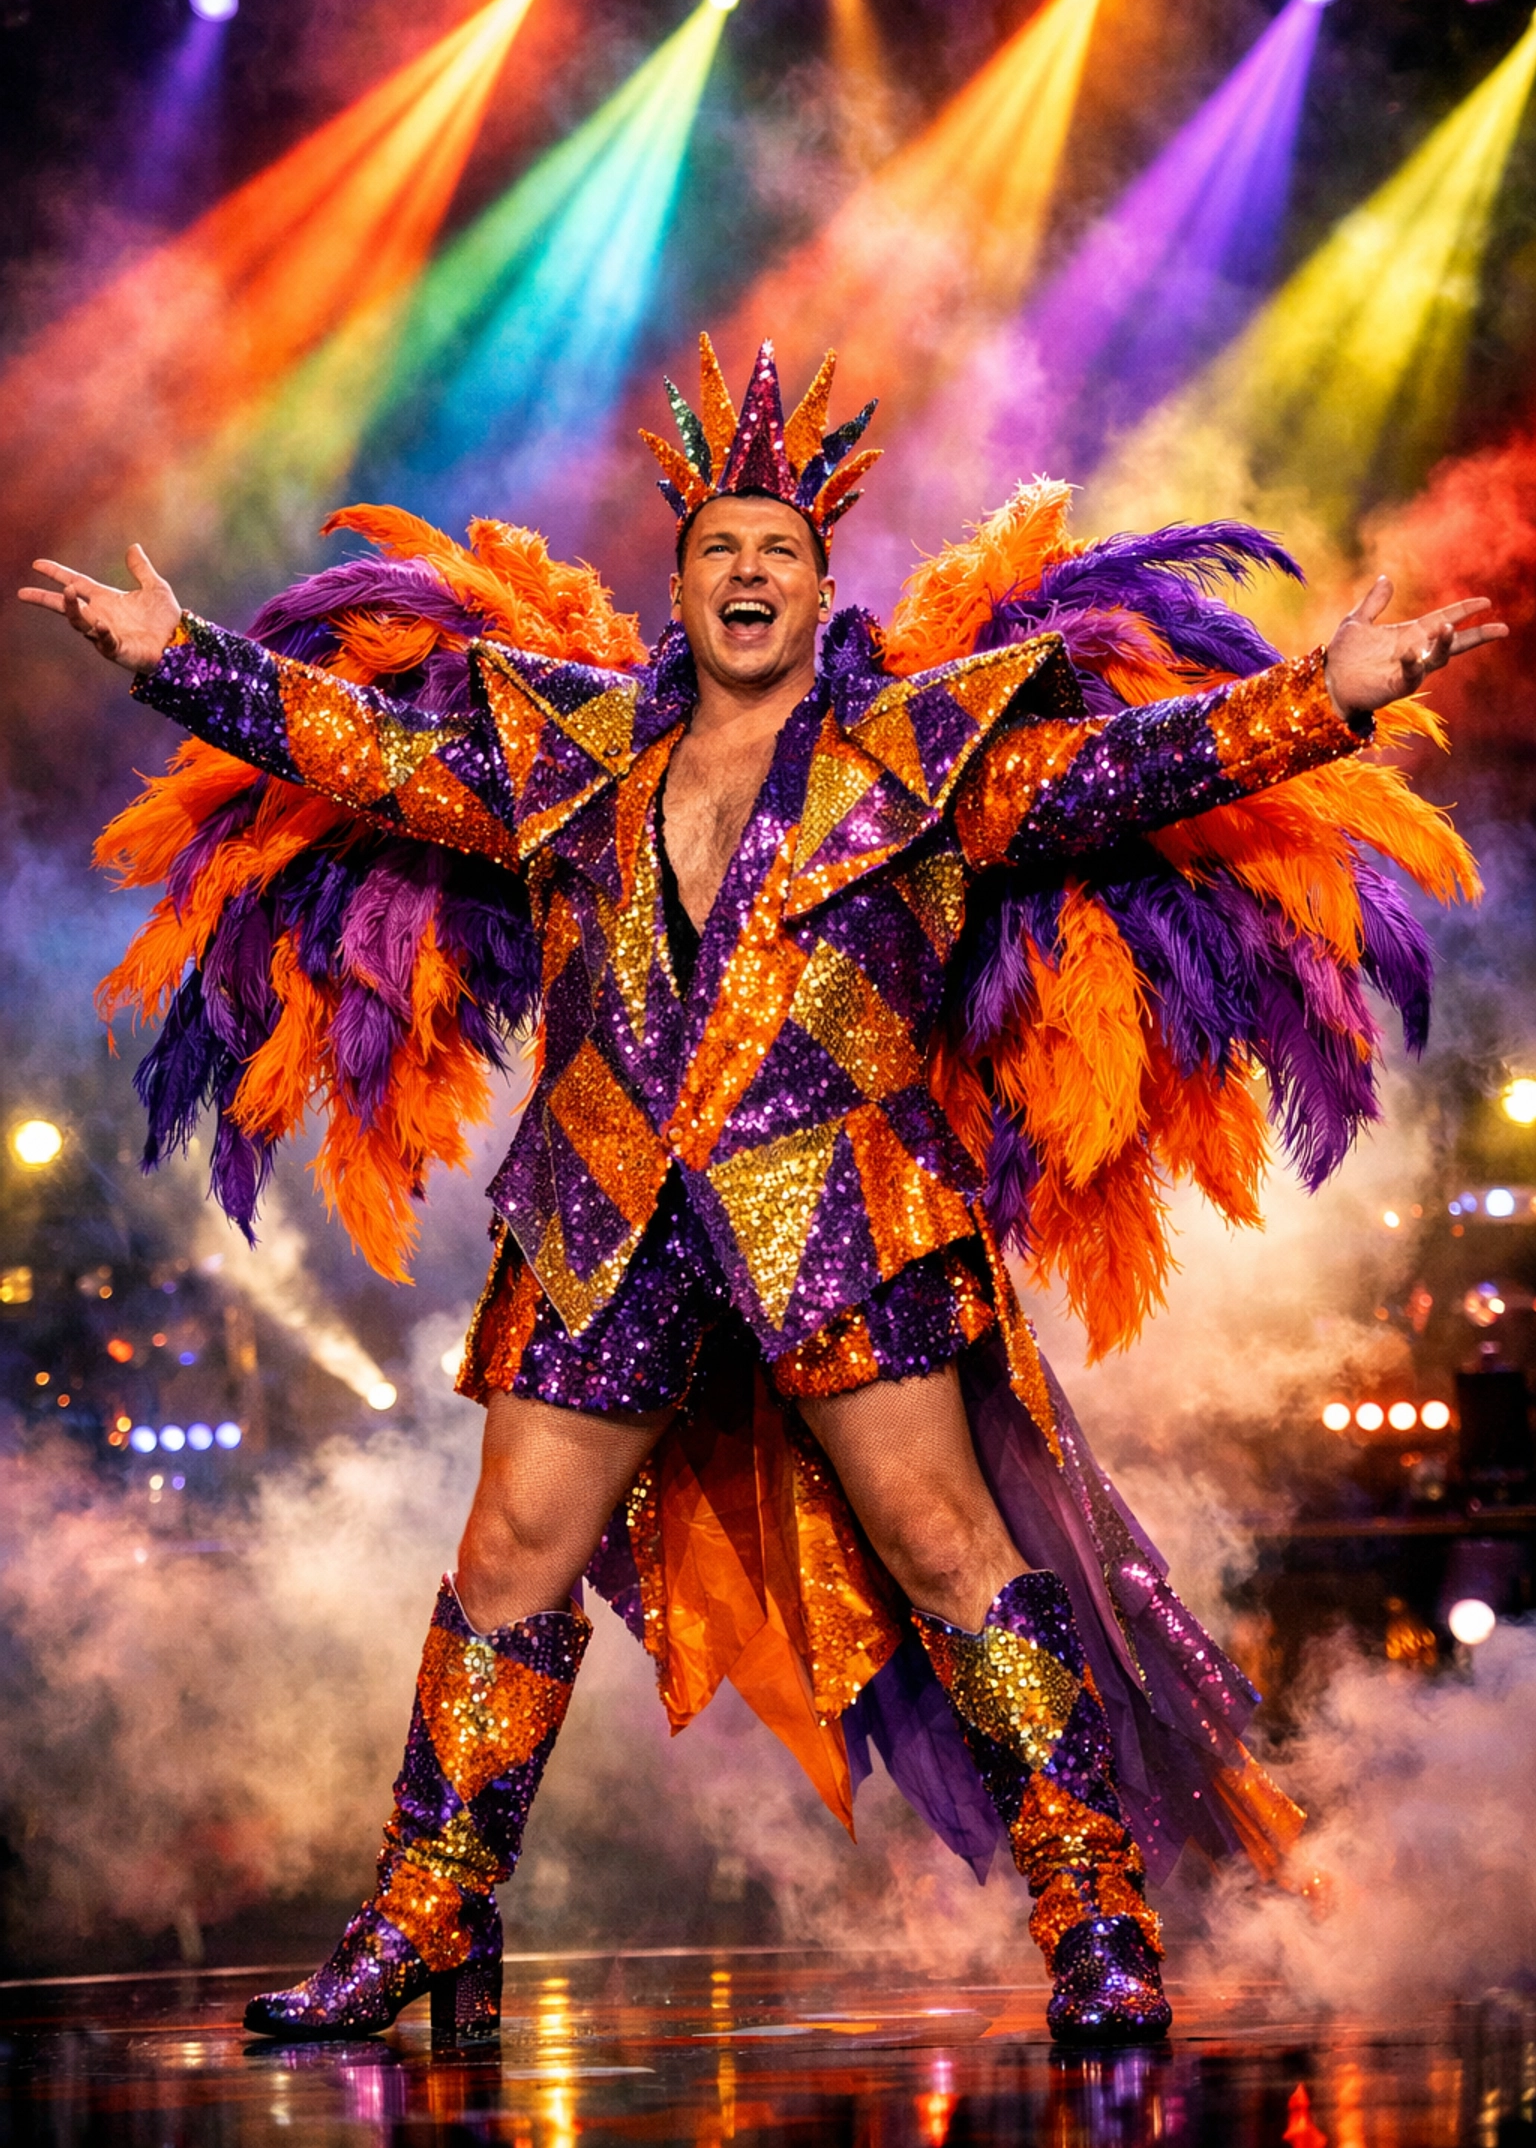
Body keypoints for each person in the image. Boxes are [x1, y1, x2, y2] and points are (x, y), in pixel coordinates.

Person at [23, 338, 1504, 2047]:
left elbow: (1129, 770)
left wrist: (1326, 695)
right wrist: (180, 659)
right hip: (600, 1208)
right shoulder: (565, 753)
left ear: (818, 585)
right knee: (506, 1554)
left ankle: (1096, 1915)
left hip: (845, 1211)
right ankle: (429, 1915)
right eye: (719, 547)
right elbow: (362, 751)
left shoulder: (921, 751)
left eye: (778, 550)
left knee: (946, 1546)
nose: (747, 570)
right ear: (680, 586)